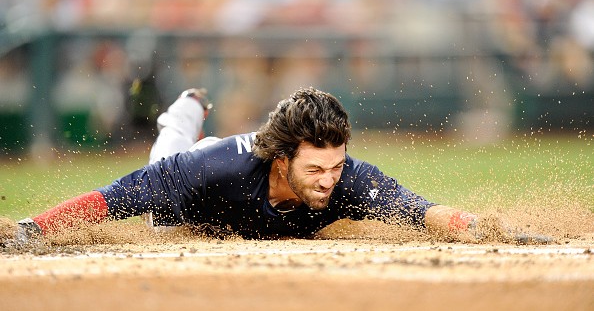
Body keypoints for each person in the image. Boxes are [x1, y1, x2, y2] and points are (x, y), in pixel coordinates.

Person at [6, 87, 551, 246]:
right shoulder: (214, 171)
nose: (329, 179)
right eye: (315, 168)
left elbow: (422, 211)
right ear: (282, 157)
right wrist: (32, 229)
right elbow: (114, 197)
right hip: (189, 199)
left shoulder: (349, 179)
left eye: (335, 166)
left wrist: (488, 230)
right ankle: (186, 108)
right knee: (171, 151)